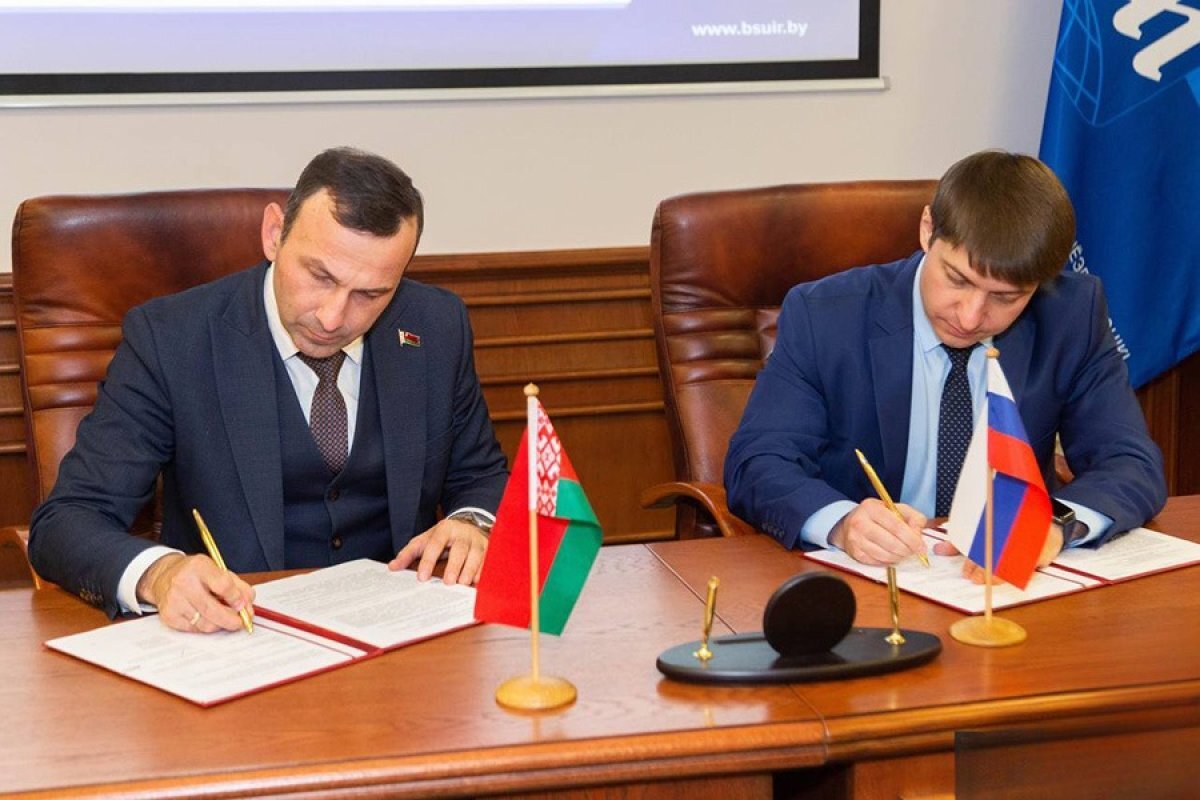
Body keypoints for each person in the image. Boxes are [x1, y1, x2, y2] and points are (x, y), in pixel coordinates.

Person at [29, 147, 509, 631]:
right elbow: (67, 521)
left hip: (400, 630)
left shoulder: (435, 326)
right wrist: (160, 574)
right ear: (274, 234)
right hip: (237, 633)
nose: (332, 317)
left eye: (370, 294)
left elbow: (482, 475)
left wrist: (472, 523)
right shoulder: (172, 339)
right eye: (320, 276)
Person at [724, 150, 1166, 577]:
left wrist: (1052, 524)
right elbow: (759, 461)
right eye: (957, 279)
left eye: (1005, 298)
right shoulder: (826, 316)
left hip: (1005, 586)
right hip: (874, 581)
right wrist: (841, 522)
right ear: (927, 229)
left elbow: (1129, 462)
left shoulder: (1071, 314)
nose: (970, 317)